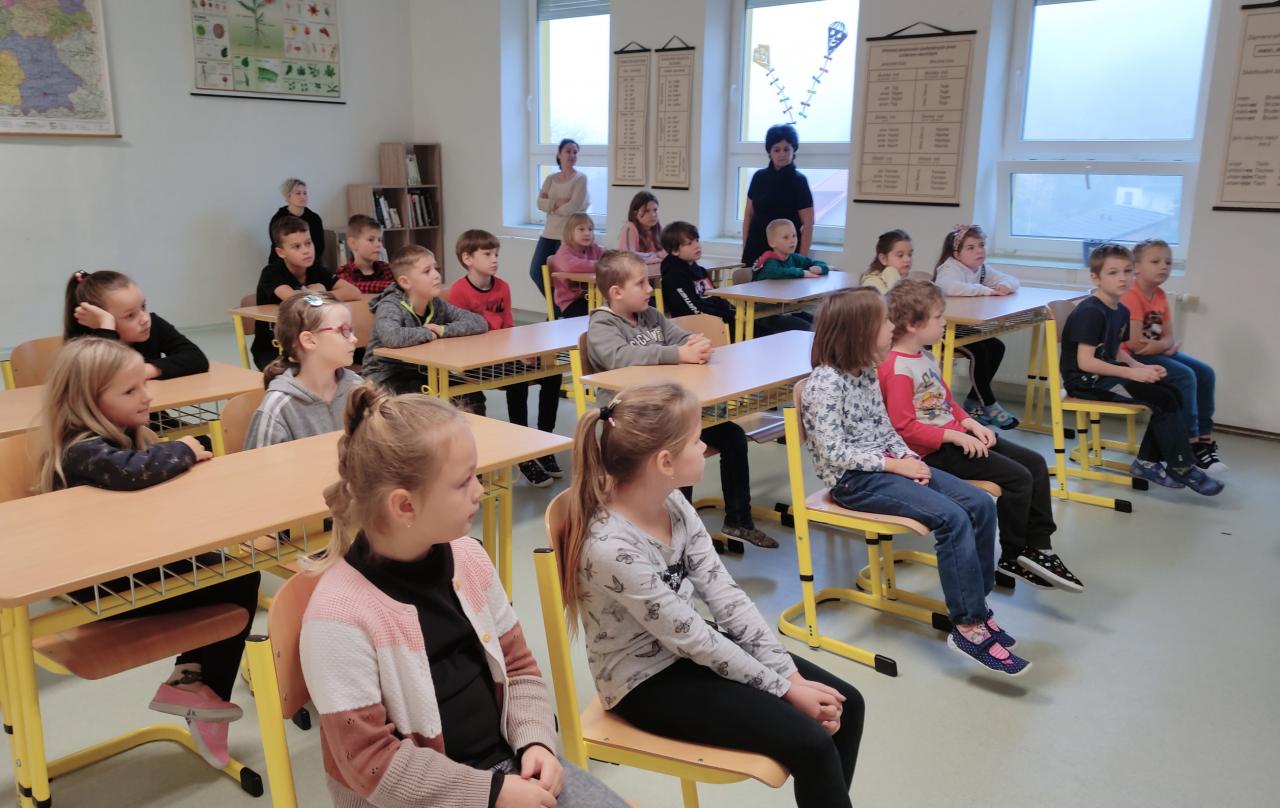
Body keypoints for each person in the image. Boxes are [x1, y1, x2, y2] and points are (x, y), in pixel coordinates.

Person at [299, 387, 629, 808]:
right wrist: (491, 794)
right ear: (404, 506)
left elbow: (518, 666)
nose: (479, 491)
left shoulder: (468, 558)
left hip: (507, 772)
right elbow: (371, 765)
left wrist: (535, 743)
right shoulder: (338, 618)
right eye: (462, 482)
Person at [559, 380, 863, 808]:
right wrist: (785, 691)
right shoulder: (611, 547)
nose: (704, 447)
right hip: (644, 683)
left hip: (688, 651)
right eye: (696, 439)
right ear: (665, 461)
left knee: (847, 705)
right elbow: (695, 639)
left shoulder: (673, 503)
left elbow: (726, 597)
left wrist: (790, 678)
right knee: (812, 742)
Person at [36, 337, 260, 767]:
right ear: (87, 401)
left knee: (238, 573)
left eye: (144, 384)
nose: (147, 396)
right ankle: (200, 690)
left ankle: (193, 684)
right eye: (130, 390)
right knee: (236, 580)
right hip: (103, 586)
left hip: (136, 566)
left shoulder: (126, 436)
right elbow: (133, 473)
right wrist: (185, 448)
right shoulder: (83, 450)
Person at [802, 288, 1030, 675]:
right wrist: (895, 467)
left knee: (978, 504)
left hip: (889, 465)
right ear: (860, 331)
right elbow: (832, 452)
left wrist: (908, 458)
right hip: (855, 481)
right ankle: (968, 626)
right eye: (884, 322)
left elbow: (886, 429)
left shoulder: (865, 372)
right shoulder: (825, 383)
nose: (891, 326)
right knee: (952, 519)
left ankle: (976, 605)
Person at [880, 281, 1084, 592]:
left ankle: (1040, 546)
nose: (944, 322)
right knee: (1018, 478)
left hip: (959, 434)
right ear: (912, 325)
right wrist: (955, 437)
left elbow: (946, 402)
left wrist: (971, 424)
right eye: (938, 317)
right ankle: (1013, 555)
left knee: (1035, 463)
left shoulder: (925, 356)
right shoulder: (896, 369)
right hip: (932, 450)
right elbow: (904, 428)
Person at [586, 250, 778, 549]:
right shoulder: (602, 325)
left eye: (648, 282)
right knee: (679, 451)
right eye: (641, 283)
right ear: (616, 292)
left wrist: (695, 343)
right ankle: (681, 533)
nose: (650, 289)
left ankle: (738, 520)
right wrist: (677, 354)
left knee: (732, 436)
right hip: (633, 421)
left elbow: (680, 336)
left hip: (668, 411)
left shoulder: (651, 315)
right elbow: (618, 357)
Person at [1061, 244, 1223, 495]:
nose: (1123, 278)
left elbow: (1116, 350)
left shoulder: (1120, 309)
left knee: (1172, 392)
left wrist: (1139, 366)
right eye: (1113, 272)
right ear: (1096, 277)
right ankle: (1181, 465)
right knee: (1162, 399)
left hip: (1106, 375)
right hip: (1086, 382)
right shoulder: (1091, 311)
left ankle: (1147, 462)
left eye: (1127, 271)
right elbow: (1086, 362)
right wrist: (1131, 373)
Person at [448, 229, 564, 488]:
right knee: (517, 380)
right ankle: (521, 453)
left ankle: (543, 443)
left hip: (504, 357)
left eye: (496, 254)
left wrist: (522, 352)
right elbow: (460, 338)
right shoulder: (459, 292)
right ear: (467, 259)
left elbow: (509, 328)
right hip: (474, 362)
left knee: (552, 374)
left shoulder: (502, 287)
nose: (494, 259)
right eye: (487, 254)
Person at [1121, 238, 1225, 471]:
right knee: (1185, 375)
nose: (1164, 266)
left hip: (1152, 352)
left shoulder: (1159, 295)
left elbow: (1167, 337)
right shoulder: (1131, 296)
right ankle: (1190, 441)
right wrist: (1162, 345)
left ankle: (1205, 439)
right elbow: (1135, 345)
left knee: (1206, 373)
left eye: (1168, 262)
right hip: (1131, 361)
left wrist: (1161, 345)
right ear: (1136, 267)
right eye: (1155, 261)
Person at [359, 245, 487, 395]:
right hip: (385, 377)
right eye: (427, 271)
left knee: (471, 394)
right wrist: (428, 333)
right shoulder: (390, 305)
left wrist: (442, 330)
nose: (436, 275)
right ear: (405, 282)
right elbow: (391, 336)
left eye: (435, 268)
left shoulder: (436, 304)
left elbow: (479, 323)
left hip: (421, 373)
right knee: (428, 396)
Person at [244, 292, 362, 449]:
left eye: (352, 330)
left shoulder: (358, 389)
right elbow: (258, 463)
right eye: (344, 331)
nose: (354, 339)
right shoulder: (278, 407)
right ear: (309, 340)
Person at [932, 224, 1020, 429]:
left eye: (981, 245)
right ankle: (989, 404)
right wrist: (986, 290)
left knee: (996, 347)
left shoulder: (980, 269)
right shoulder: (949, 268)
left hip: (963, 328)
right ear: (956, 253)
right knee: (979, 351)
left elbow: (1012, 279)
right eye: (970, 247)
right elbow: (949, 287)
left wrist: (1006, 286)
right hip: (942, 331)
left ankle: (973, 402)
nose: (979, 251)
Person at [252, 215, 361, 370]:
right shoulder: (271, 273)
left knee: (363, 354)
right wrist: (317, 293)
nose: (306, 251)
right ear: (281, 252)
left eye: (308, 243)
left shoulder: (315, 268)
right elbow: (296, 300)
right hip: (274, 347)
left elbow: (353, 292)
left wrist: (323, 292)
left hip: (313, 341)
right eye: (296, 247)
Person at [64, 269, 208, 379]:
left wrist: (142, 371)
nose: (145, 319)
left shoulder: (153, 325)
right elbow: (104, 379)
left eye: (143, 306)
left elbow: (196, 358)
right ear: (97, 320)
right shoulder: (83, 348)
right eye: (130, 315)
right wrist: (106, 326)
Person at [741, 123, 814, 267]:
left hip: (785, 251)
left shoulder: (799, 181)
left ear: (793, 151)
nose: (782, 154)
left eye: (786, 149)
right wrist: (745, 247)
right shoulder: (759, 177)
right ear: (770, 152)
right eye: (777, 150)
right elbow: (748, 215)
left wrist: (801, 259)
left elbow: (808, 223)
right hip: (755, 248)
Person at [529, 139, 589, 299]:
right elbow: (539, 203)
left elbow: (573, 207)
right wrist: (557, 203)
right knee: (536, 272)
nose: (572, 155)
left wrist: (551, 206)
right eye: (568, 151)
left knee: (563, 279)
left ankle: (561, 309)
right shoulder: (550, 178)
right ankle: (557, 309)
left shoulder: (580, 178)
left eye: (575, 152)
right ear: (559, 154)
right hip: (548, 233)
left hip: (568, 236)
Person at [548, 213, 604, 319]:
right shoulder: (564, 251)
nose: (587, 233)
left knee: (612, 311)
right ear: (570, 233)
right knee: (595, 317)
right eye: (581, 229)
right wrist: (599, 264)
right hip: (570, 302)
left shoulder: (594, 249)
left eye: (590, 229)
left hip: (592, 298)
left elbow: (608, 260)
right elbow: (571, 266)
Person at [267, 178, 326, 268]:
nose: (303, 196)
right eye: (298, 193)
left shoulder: (314, 218)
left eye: (305, 193)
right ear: (288, 197)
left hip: (309, 264)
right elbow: (278, 244)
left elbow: (319, 246)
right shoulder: (278, 219)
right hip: (282, 264)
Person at [753, 218, 829, 280]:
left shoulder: (795, 258)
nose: (792, 240)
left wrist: (819, 268)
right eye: (786, 237)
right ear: (772, 243)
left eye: (794, 236)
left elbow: (818, 263)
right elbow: (776, 272)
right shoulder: (769, 260)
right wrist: (802, 273)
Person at [336, 214, 395, 294]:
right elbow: (352, 288)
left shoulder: (386, 268)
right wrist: (392, 286)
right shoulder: (344, 273)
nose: (378, 244)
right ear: (353, 243)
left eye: (379, 240)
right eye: (371, 240)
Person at [617, 191, 666, 267]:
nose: (653, 215)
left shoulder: (658, 228)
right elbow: (628, 256)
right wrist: (654, 255)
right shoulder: (630, 227)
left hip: (655, 271)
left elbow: (667, 252)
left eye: (655, 210)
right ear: (635, 213)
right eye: (647, 211)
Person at [861, 229, 912, 293]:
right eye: (900, 255)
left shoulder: (907, 279)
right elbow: (897, 298)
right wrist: (891, 272)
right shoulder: (871, 282)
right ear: (883, 259)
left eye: (910, 254)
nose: (908, 259)